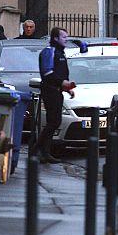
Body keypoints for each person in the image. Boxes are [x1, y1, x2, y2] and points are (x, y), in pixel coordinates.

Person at [37, 27, 75, 164]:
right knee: (53, 122)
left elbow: (59, 73)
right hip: (50, 90)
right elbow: (47, 73)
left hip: (56, 90)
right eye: (64, 37)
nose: (66, 39)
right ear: (55, 38)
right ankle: (37, 150)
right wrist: (63, 83)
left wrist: (66, 87)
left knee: (53, 122)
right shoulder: (49, 52)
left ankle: (44, 152)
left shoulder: (60, 53)